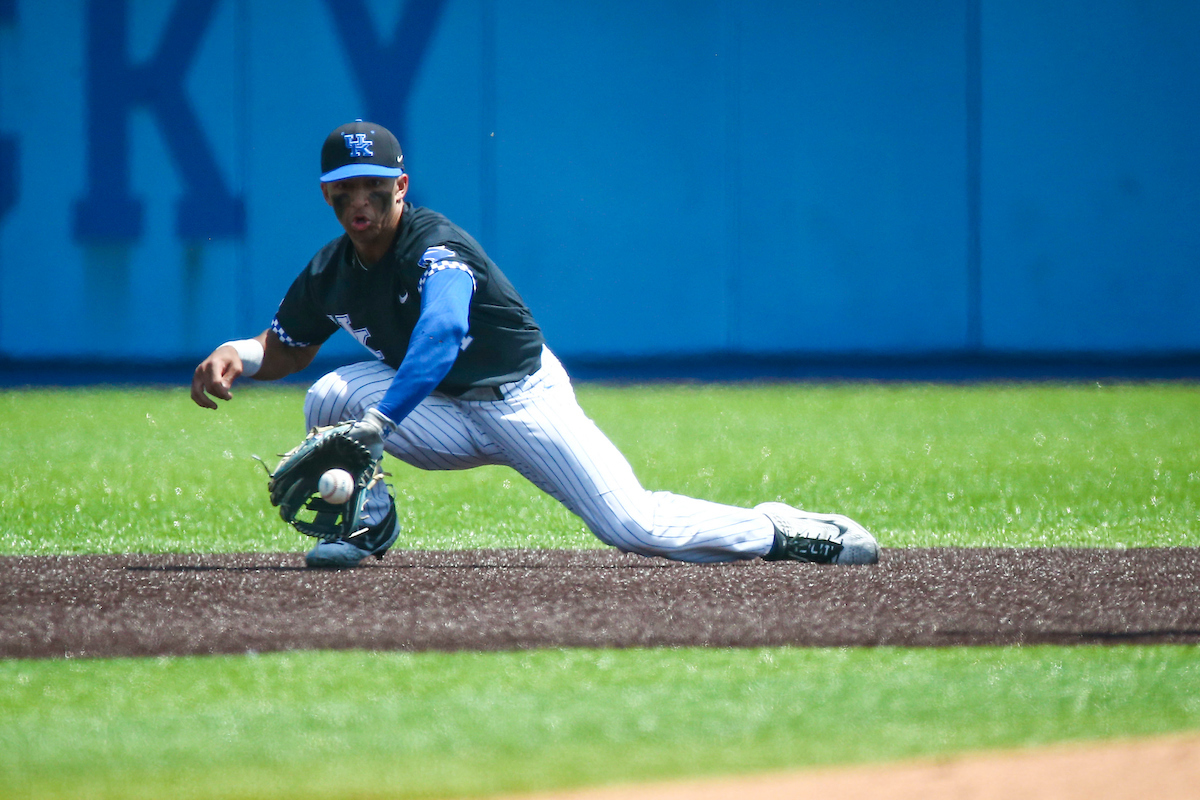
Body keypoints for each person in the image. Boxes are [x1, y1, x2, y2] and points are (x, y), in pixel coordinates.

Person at [191, 120, 879, 569]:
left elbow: (441, 335)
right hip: (441, 412)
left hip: (522, 402)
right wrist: (241, 354)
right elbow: (286, 348)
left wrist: (377, 427)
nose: (361, 201)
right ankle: (364, 522)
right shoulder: (330, 271)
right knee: (330, 392)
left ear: (401, 187)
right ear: (328, 198)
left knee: (633, 524)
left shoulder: (435, 247)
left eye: (375, 186)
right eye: (347, 190)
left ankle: (781, 530)